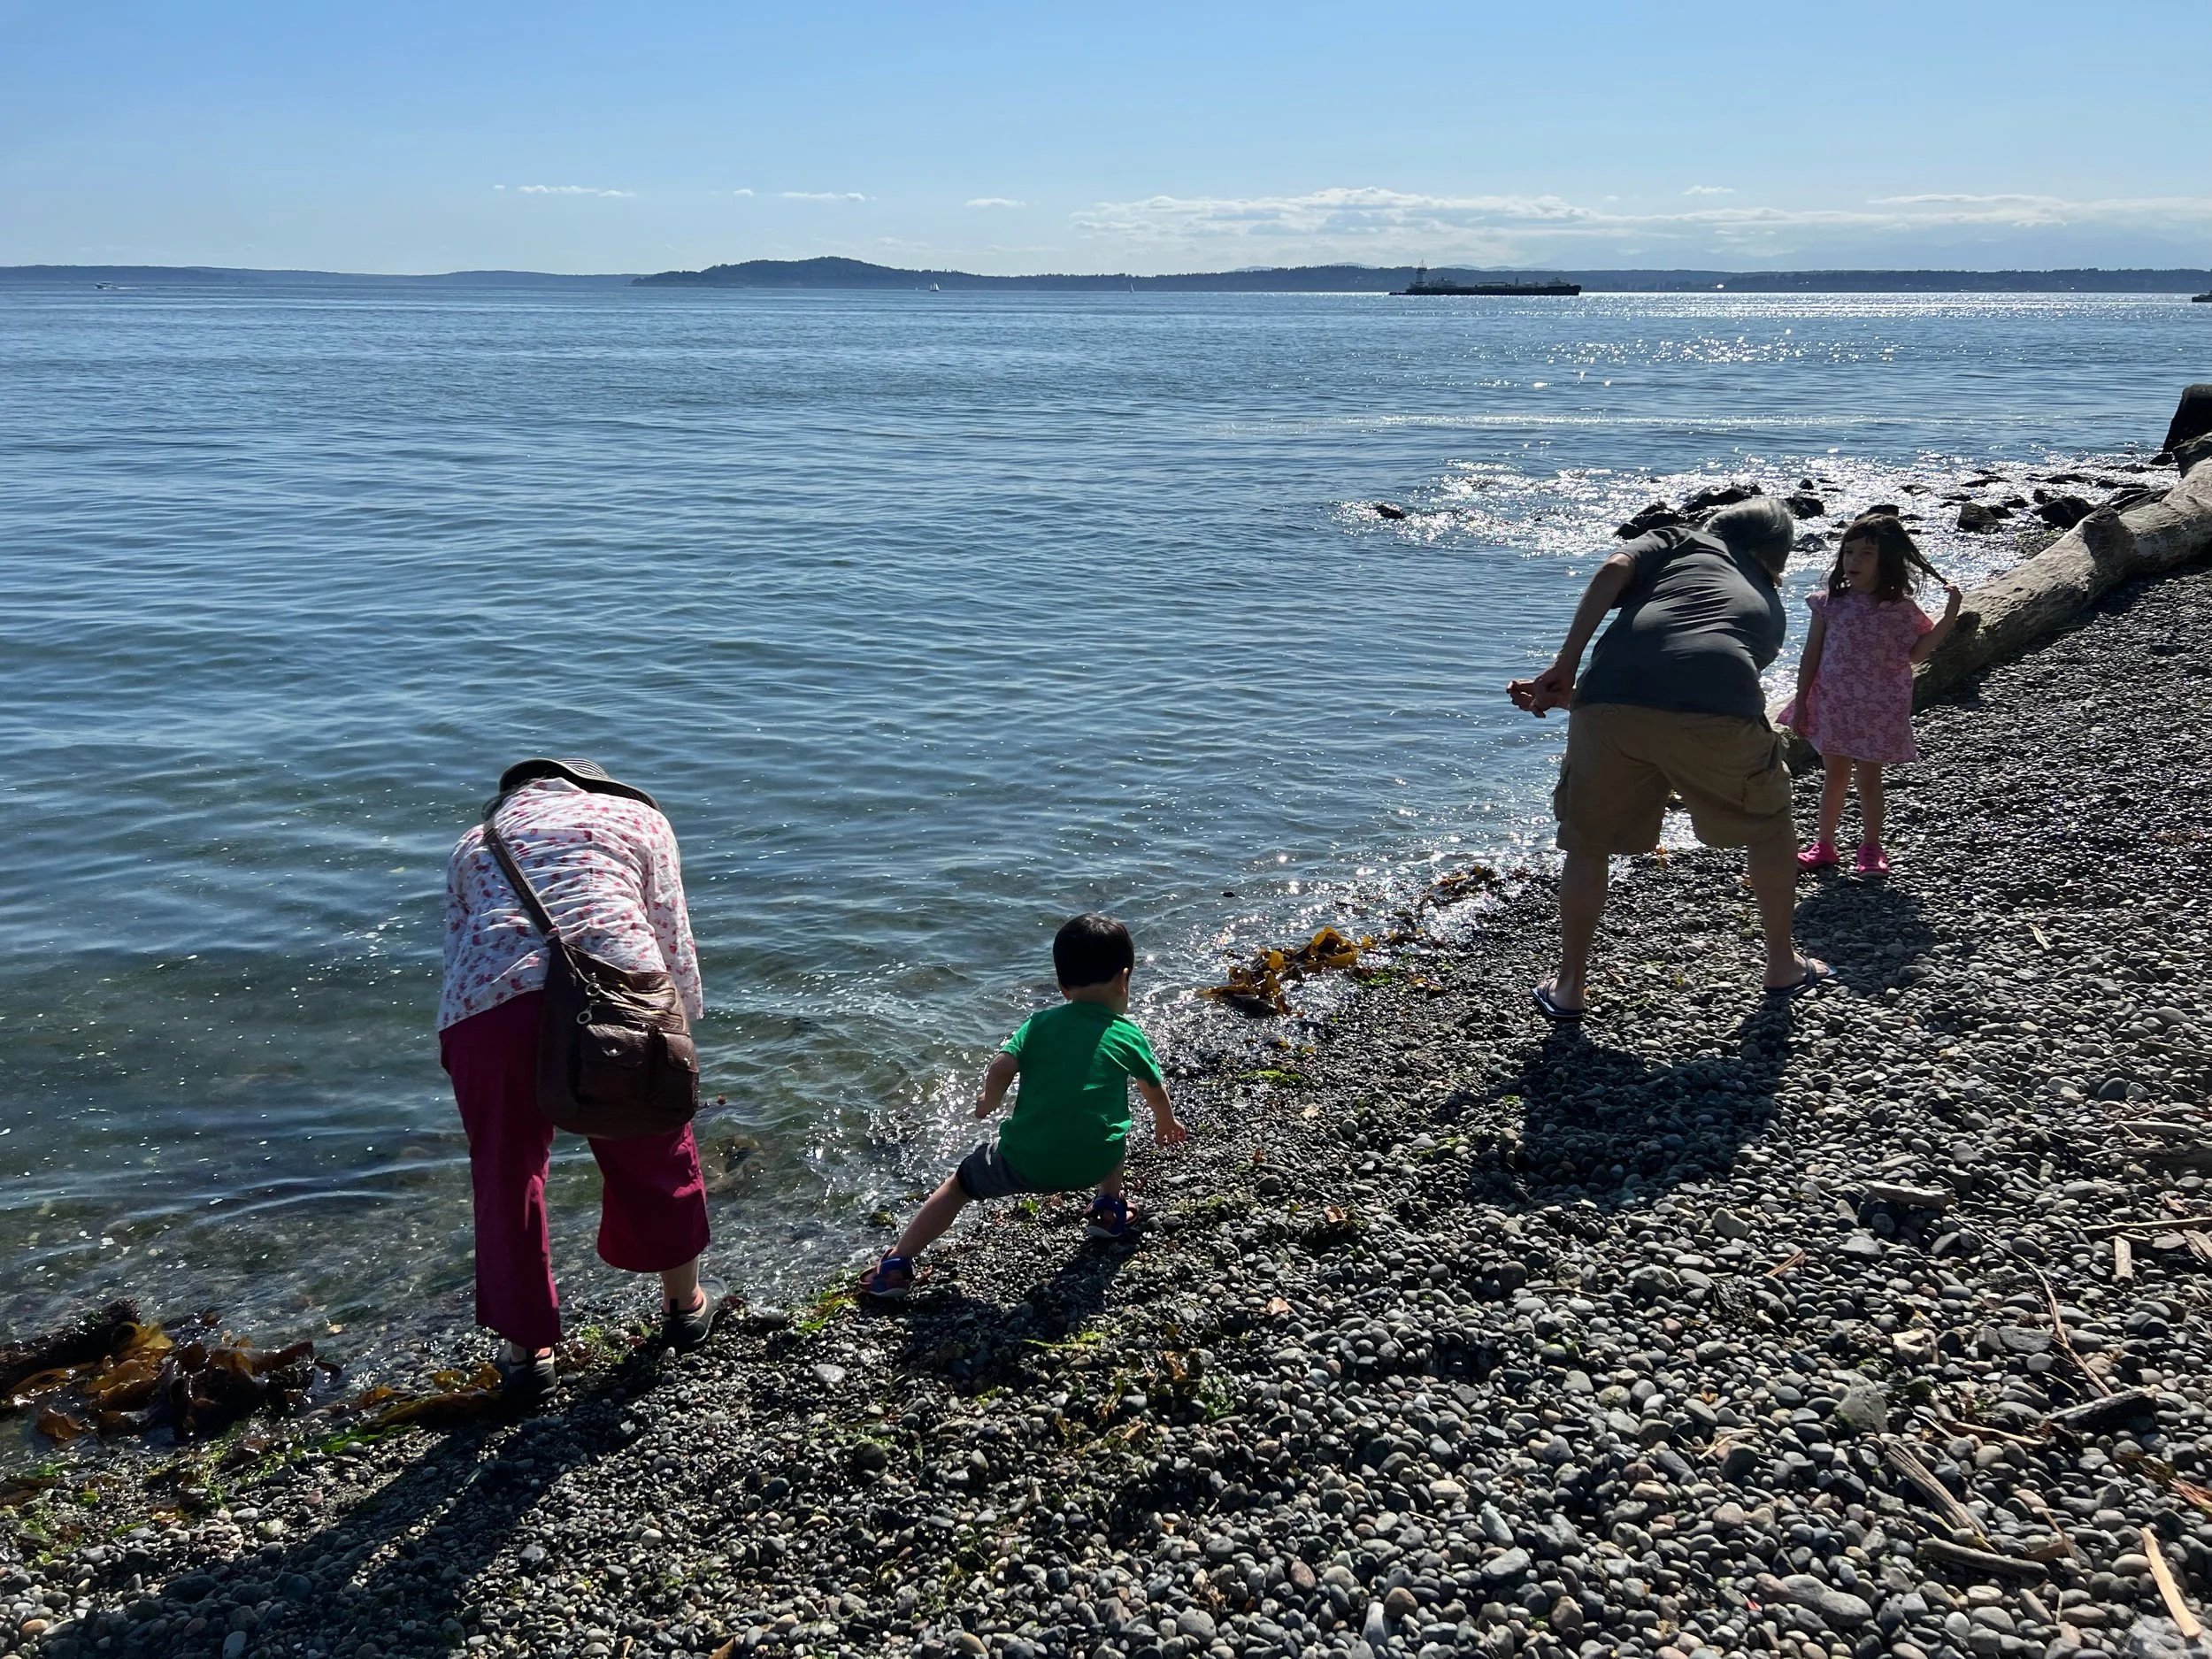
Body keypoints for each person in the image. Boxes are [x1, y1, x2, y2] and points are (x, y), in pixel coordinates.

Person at [439, 757, 718, 1395]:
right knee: (654, 1145)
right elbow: (670, 933)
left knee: (508, 1177)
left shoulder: (475, 842)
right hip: (618, 990)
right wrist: (677, 1031)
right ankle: (684, 1307)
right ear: (594, 786)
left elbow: (457, 946)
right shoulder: (639, 817)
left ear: (512, 795)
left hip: (487, 1007)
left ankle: (527, 1354)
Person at [1508, 495, 1831, 1019]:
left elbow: (1615, 570)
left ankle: (1569, 989)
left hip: (1608, 701)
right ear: (1777, 556)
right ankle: (1781, 965)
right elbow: (1694, 682)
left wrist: (1565, 667)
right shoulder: (1767, 600)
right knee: (1768, 826)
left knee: (1588, 845)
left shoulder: (1679, 538)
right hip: (1717, 707)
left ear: (1716, 526)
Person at [859, 913, 1187, 1299]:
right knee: (1114, 1125)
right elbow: (1153, 1089)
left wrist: (988, 1102)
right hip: (1094, 1161)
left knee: (959, 1185)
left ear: (1063, 987)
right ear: (1124, 978)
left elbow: (1001, 1065)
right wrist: (1166, 1122)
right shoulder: (1128, 1034)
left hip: (1025, 1162)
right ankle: (1109, 1209)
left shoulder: (1039, 1024)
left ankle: (897, 1264)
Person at [1782, 510, 1962, 877]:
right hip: (1834, 702)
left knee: (1868, 779)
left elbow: (1917, 653)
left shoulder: (1900, 609)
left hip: (1879, 706)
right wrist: (1801, 702)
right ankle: (1825, 845)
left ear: (1886, 561)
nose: (1854, 561)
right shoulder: (1828, 602)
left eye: (1866, 554)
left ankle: (1870, 848)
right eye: (1848, 552)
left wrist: (1951, 613)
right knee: (1833, 776)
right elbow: (1810, 655)